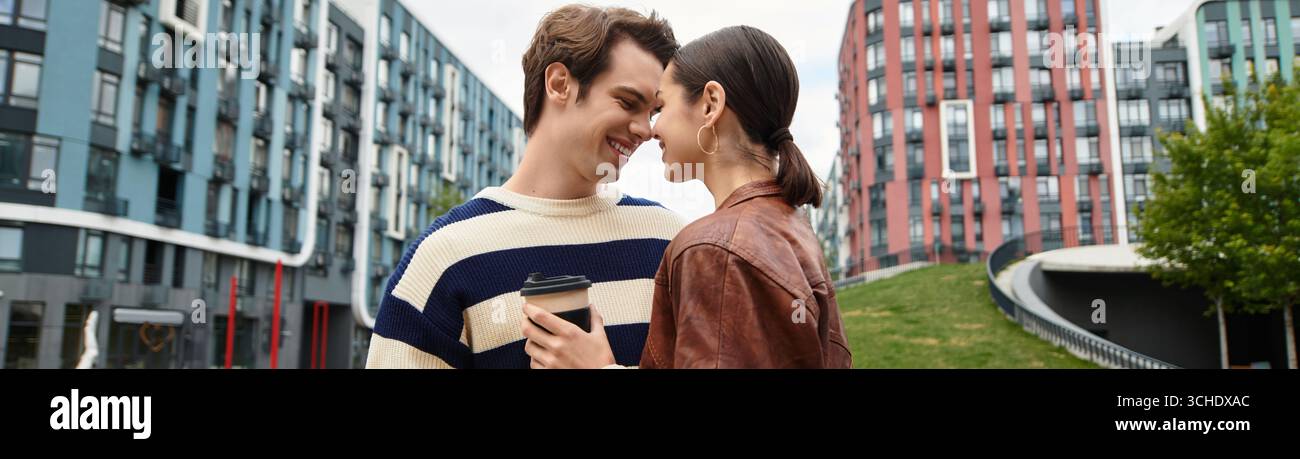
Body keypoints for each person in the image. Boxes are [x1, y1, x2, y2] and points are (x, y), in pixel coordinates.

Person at [366, 4, 682, 368]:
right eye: (628, 102)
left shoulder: (670, 244)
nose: (645, 129)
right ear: (559, 84)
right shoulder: (444, 259)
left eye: (652, 113)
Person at [522, 25, 852, 369]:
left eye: (661, 107)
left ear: (710, 105)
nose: (653, 130)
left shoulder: (712, 248)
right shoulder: (795, 232)